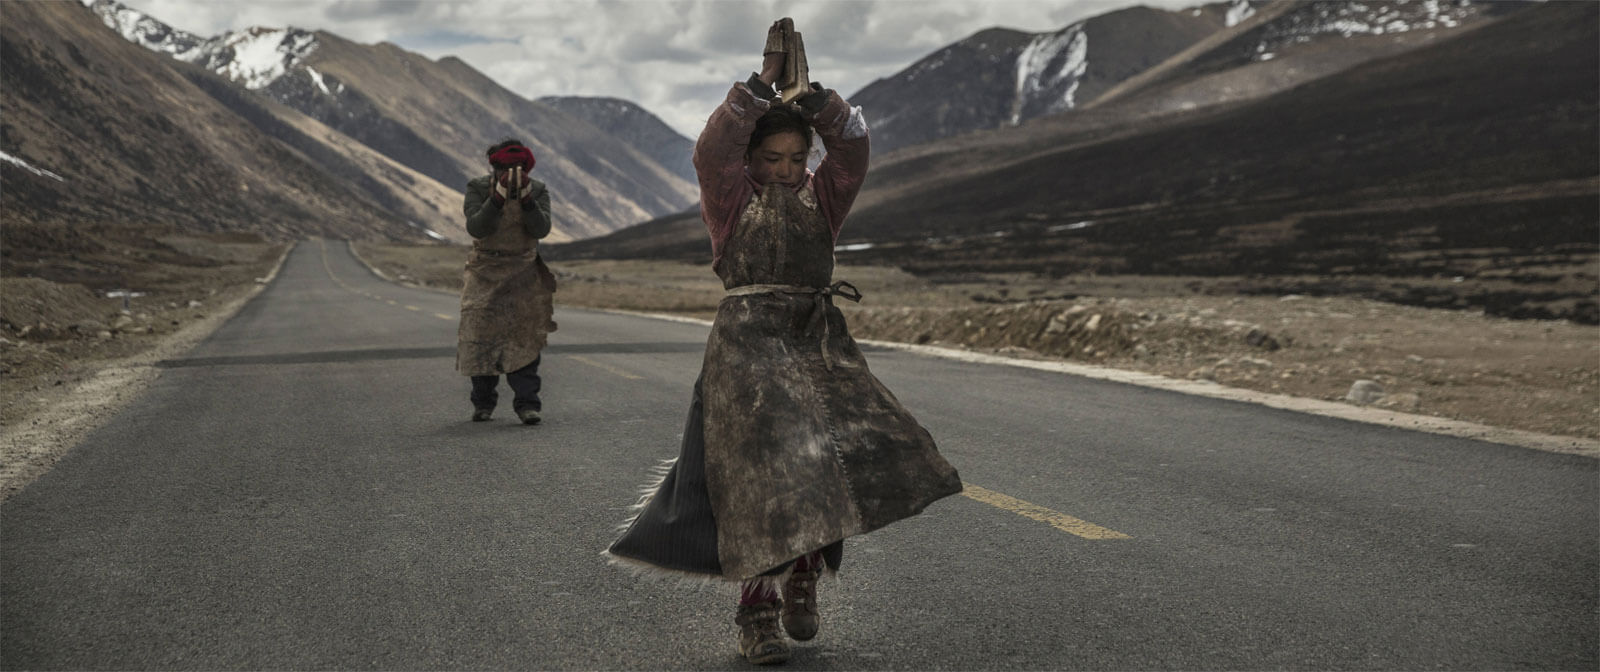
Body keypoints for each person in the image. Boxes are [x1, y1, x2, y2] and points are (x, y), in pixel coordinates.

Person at [604, 21, 962, 665]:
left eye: (797, 159)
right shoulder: (730, 197)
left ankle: (804, 578)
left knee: (830, 459)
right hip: (746, 350)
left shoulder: (821, 199)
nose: (786, 170)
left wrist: (813, 95)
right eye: (772, 159)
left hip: (817, 340)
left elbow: (851, 147)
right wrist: (762, 83)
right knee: (759, 478)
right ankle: (757, 613)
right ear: (750, 164)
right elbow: (712, 149)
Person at [457, 138, 558, 425]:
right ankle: (483, 403)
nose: (513, 172)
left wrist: (526, 200)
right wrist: (498, 198)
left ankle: (528, 405)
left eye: (518, 167)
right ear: (495, 167)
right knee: (480, 336)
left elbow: (542, 229)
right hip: (485, 270)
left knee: (523, 337)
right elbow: (477, 227)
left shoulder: (537, 191)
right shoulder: (477, 188)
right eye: (507, 167)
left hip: (522, 270)